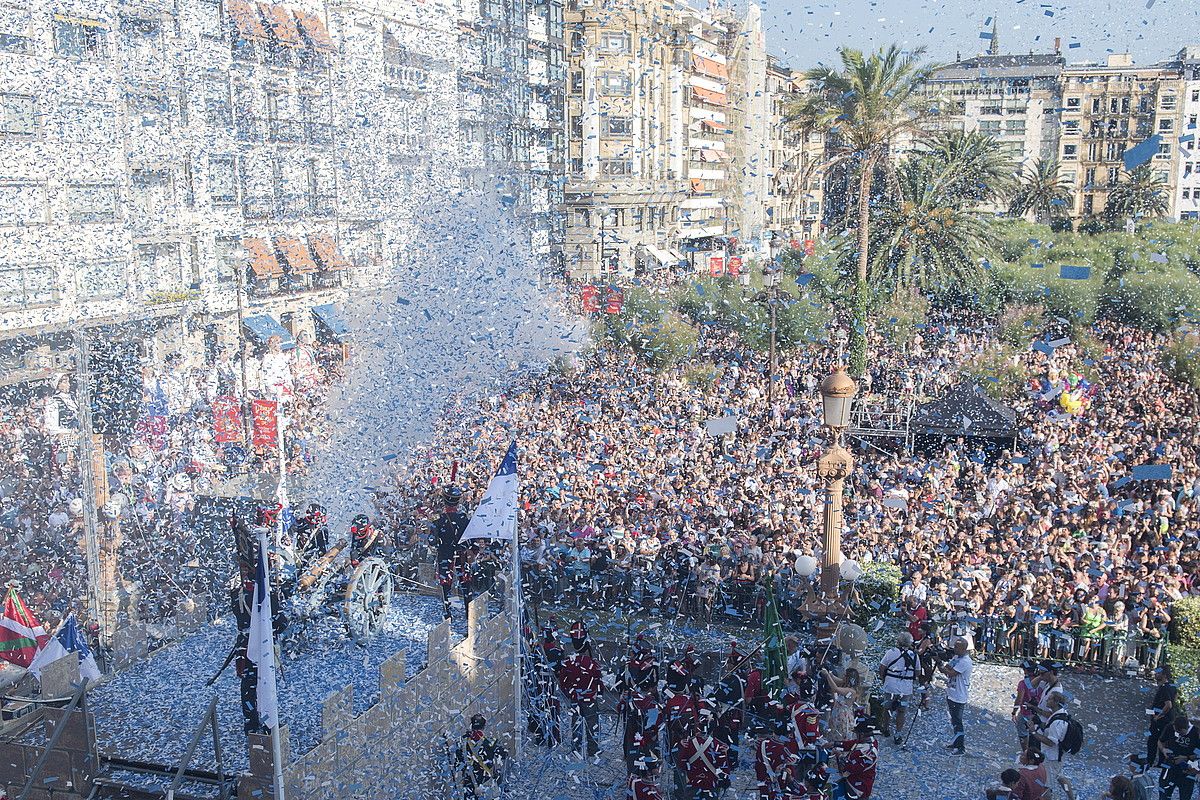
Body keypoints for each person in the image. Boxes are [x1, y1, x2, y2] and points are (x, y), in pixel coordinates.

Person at [557, 621, 604, 756]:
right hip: (589, 697)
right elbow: (598, 680)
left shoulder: (568, 662)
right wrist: (598, 692)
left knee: (576, 724)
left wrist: (569, 693)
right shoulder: (592, 663)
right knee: (592, 724)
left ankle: (576, 748)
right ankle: (593, 749)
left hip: (574, 698)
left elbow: (563, 682)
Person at [1031, 693, 1076, 800]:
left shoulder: (1057, 722)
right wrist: (1041, 725)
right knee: (1060, 777)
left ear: (1056, 702)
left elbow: (1051, 742)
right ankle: (1072, 798)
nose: (1047, 701)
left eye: (1050, 699)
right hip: (1058, 756)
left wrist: (1033, 732)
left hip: (1052, 757)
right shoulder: (1060, 714)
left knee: (1046, 786)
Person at [877, 631, 920, 744]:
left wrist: (884, 679)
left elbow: (882, 667)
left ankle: (885, 729)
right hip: (906, 689)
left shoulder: (891, 652)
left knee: (887, 708)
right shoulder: (914, 655)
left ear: (898, 641)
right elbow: (918, 672)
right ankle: (898, 734)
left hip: (890, 685)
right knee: (902, 711)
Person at [433, 486, 469, 619]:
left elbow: (433, 540)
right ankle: (468, 611)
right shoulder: (464, 518)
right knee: (465, 583)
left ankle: (447, 613)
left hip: (445, 553)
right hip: (461, 554)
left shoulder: (438, 519)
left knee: (445, 585)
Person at [454, 714, 509, 800]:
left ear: (472, 725)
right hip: (486, 781)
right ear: (484, 726)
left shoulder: (462, 743)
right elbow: (504, 754)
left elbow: (458, 764)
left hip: (470, 783)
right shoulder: (491, 742)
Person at [941, 636, 973, 755]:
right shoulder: (956, 657)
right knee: (953, 720)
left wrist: (942, 666)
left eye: (956, 647)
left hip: (959, 695)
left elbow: (951, 673)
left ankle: (960, 747)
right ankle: (955, 741)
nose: (954, 649)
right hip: (951, 692)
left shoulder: (965, 661)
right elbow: (948, 667)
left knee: (958, 721)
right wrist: (942, 665)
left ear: (963, 648)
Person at [1158, 715, 1200, 800]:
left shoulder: (1196, 733)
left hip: (1188, 770)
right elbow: (1160, 741)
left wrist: (1185, 758)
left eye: (1179, 732)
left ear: (1186, 728)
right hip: (1169, 767)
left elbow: (1199, 753)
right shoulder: (1170, 727)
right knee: (1164, 795)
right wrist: (1163, 750)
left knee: (1185, 797)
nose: (1177, 733)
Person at [835, 719, 879, 800]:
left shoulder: (869, 752)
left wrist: (840, 756)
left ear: (861, 734)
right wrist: (835, 744)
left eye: (857, 734)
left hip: (859, 787)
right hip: (852, 780)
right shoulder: (865, 741)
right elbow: (851, 744)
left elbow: (852, 768)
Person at [1147, 665, 1179, 768]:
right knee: (1163, 741)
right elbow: (1174, 700)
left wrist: (1158, 716)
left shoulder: (1164, 688)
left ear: (1164, 675)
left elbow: (1168, 705)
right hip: (1169, 720)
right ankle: (1161, 763)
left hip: (1160, 721)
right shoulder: (1172, 686)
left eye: (1158, 673)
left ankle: (1150, 762)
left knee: (1152, 741)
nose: (1156, 675)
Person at [1012, 660, 1042, 753]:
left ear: (1025, 670)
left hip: (1025, 713)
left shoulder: (1023, 683)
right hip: (1038, 713)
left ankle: (1026, 752)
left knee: (1022, 733)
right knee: (1035, 733)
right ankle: (1036, 752)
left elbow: (1019, 699)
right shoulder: (1041, 682)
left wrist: (1014, 712)